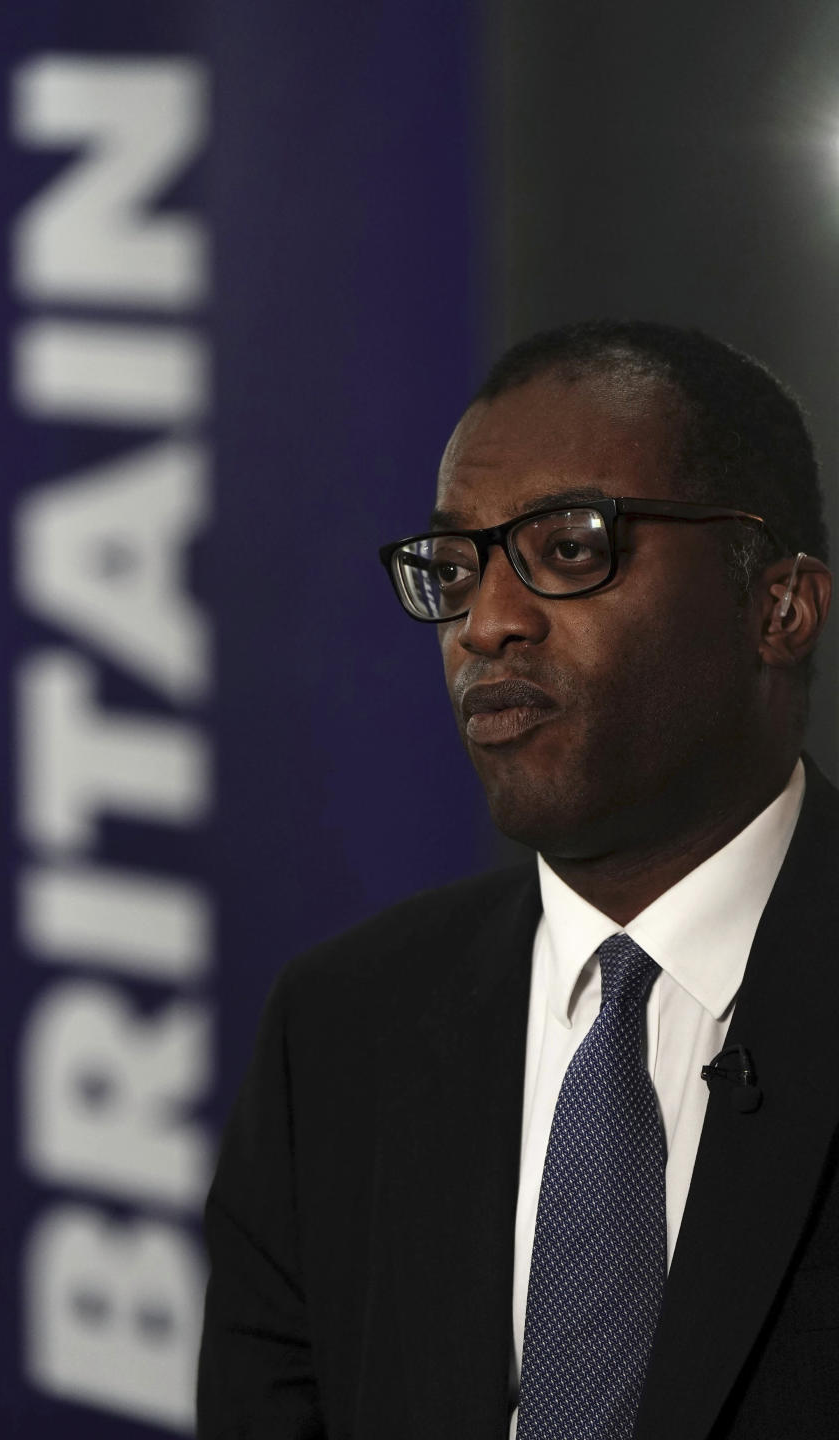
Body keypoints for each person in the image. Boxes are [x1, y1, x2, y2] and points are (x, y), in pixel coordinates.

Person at [197, 320, 838, 1440]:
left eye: (573, 547)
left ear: (778, 606)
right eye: (453, 568)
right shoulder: (340, 1033)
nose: (486, 624)